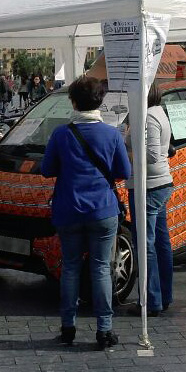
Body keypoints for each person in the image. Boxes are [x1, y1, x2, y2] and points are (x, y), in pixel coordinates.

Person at [41, 75, 131, 350]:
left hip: (69, 208)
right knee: (101, 268)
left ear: (73, 102)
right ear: (100, 101)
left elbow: (47, 170)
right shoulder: (112, 135)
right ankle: (104, 329)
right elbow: (124, 172)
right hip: (102, 210)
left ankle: (68, 326)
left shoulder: (61, 134)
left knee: (70, 267)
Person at [124, 81, 174, 318]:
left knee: (146, 244)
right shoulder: (157, 112)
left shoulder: (149, 117)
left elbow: (152, 155)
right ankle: (163, 295)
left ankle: (151, 300)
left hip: (149, 186)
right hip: (159, 184)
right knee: (160, 242)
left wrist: (125, 152)